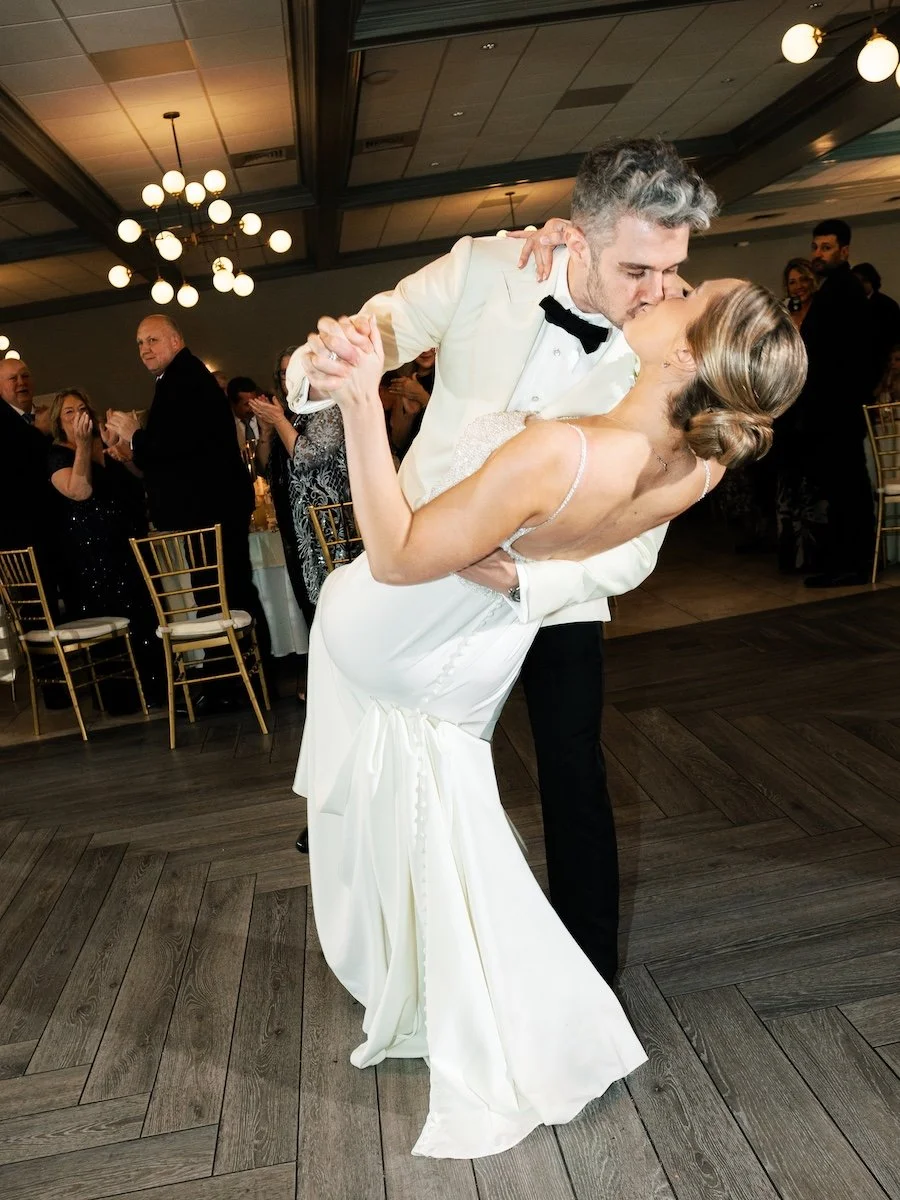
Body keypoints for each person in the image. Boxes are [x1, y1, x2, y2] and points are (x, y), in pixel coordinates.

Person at [297, 278, 805, 1159]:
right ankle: (449, 986)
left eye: (689, 293)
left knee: (444, 836)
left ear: (685, 353)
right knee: (445, 834)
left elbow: (392, 552)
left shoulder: (565, 453)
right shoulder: (700, 460)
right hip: (469, 649)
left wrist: (361, 404)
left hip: (402, 637)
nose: (671, 287)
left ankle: (501, 1009)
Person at [290, 138, 716, 985]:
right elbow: (376, 330)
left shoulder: (676, 342)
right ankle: (417, 955)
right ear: (580, 238)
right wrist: (318, 370)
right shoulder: (490, 267)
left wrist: (528, 581)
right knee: (410, 764)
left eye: (672, 271)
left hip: (550, 590)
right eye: (637, 269)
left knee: (572, 771)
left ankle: (586, 983)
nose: (658, 292)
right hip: (420, 560)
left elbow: (638, 549)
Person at [106, 314, 271, 662]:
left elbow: (175, 444)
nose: (144, 349)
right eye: (139, 342)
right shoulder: (180, 376)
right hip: (211, 506)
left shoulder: (183, 378)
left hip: (211, 508)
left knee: (223, 594)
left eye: (153, 340)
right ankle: (237, 676)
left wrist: (136, 434)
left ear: (175, 341)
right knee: (222, 594)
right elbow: (180, 447)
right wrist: (135, 443)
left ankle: (238, 678)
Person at [47, 389, 159, 707]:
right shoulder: (57, 455)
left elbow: (140, 475)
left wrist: (118, 448)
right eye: (69, 412)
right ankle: (123, 698)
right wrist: (83, 445)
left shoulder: (105, 442)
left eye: (82, 408)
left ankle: (157, 689)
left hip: (128, 546)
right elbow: (79, 491)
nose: (78, 415)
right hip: (92, 556)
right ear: (58, 421)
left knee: (144, 616)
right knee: (112, 620)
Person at [795, 219, 877, 586]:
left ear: (844, 251)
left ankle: (852, 565)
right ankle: (847, 562)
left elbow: (849, 355)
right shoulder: (836, 289)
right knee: (842, 488)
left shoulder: (843, 290)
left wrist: (843, 400)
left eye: (825, 247)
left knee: (847, 489)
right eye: (815, 247)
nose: (818, 254)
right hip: (834, 407)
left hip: (838, 409)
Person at [248, 376, 351, 626]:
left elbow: (305, 457)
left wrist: (279, 421)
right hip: (297, 518)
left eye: (293, 373)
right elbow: (264, 468)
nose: (289, 380)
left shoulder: (330, 409)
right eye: (283, 375)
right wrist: (267, 429)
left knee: (335, 593)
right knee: (308, 591)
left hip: (329, 519)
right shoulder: (293, 415)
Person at [775, 258, 826, 572]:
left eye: (803, 280)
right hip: (787, 404)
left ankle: (815, 555)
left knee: (814, 485)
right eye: (793, 282)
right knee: (787, 482)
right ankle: (790, 556)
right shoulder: (783, 316)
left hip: (815, 404)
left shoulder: (821, 313)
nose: (799, 287)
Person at [853, 262, 900, 371]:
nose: (859, 284)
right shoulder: (847, 304)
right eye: (856, 281)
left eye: (864, 280)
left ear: (872, 281)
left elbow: (894, 335)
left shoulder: (887, 304)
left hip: (880, 361)